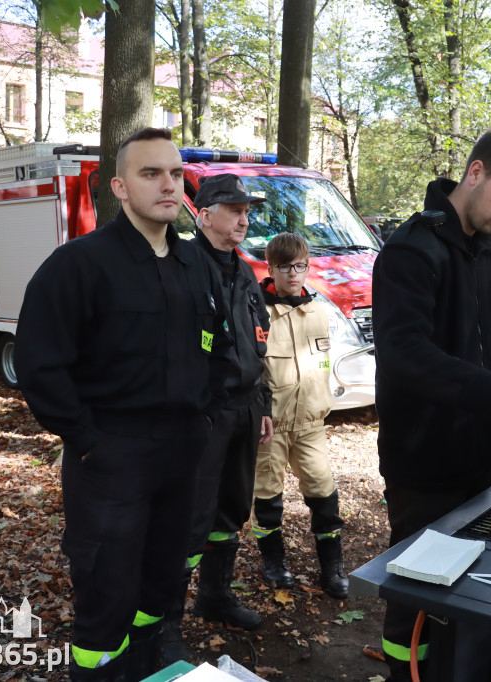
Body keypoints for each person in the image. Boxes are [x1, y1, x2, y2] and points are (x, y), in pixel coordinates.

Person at [14, 127, 228, 681]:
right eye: (150, 173)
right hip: (111, 462)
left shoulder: (193, 264)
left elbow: (219, 348)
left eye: (176, 174)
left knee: (159, 581)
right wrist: (88, 442)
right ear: (120, 187)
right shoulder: (81, 265)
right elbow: (41, 365)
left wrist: (204, 418)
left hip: (180, 459)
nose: (167, 185)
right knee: (106, 594)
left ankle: (144, 666)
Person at [371, 128, 491, 682]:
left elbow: (489, 359)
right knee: (417, 611)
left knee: (472, 602)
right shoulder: (409, 251)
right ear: (475, 173)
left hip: (484, 465)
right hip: (424, 466)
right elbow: (406, 355)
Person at [181, 174, 274, 637]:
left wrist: (265, 405)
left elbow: (259, 343)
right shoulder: (183, 266)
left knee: (231, 510)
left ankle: (214, 597)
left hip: (245, 409)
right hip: (204, 416)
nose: (244, 218)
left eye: (247, 211)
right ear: (204, 215)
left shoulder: (245, 271)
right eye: (235, 210)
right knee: (190, 516)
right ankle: (165, 625)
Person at [250, 232, 348, 599]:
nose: (294, 274)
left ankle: (331, 568)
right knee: (267, 498)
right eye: (286, 266)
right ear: (271, 267)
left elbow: (321, 364)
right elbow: (252, 368)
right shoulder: (257, 310)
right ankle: (274, 563)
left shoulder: (317, 311)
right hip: (270, 426)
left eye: (301, 266)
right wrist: (260, 412)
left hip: (310, 425)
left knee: (324, 493)